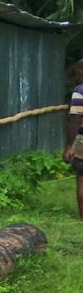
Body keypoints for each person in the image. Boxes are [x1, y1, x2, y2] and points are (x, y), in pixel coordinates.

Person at [65, 59, 83, 219]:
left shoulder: (80, 91)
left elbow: (75, 119)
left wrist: (69, 145)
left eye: (77, 71)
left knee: (82, 179)